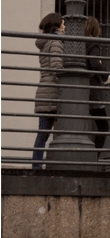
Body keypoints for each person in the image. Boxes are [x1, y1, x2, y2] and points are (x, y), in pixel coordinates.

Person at [32, 12, 64, 166]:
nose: (65, 26)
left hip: (44, 90)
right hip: (52, 92)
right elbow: (56, 67)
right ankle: (37, 166)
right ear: (57, 26)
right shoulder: (56, 41)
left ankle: (36, 165)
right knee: (45, 134)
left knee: (42, 134)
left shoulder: (45, 42)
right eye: (63, 24)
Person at [85, 15, 110, 152]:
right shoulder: (93, 44)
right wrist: (106, 75)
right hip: (93, 90)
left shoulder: (81, 43)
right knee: (104, 126)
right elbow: (95, 63)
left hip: (84, 88)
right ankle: (95, 157)